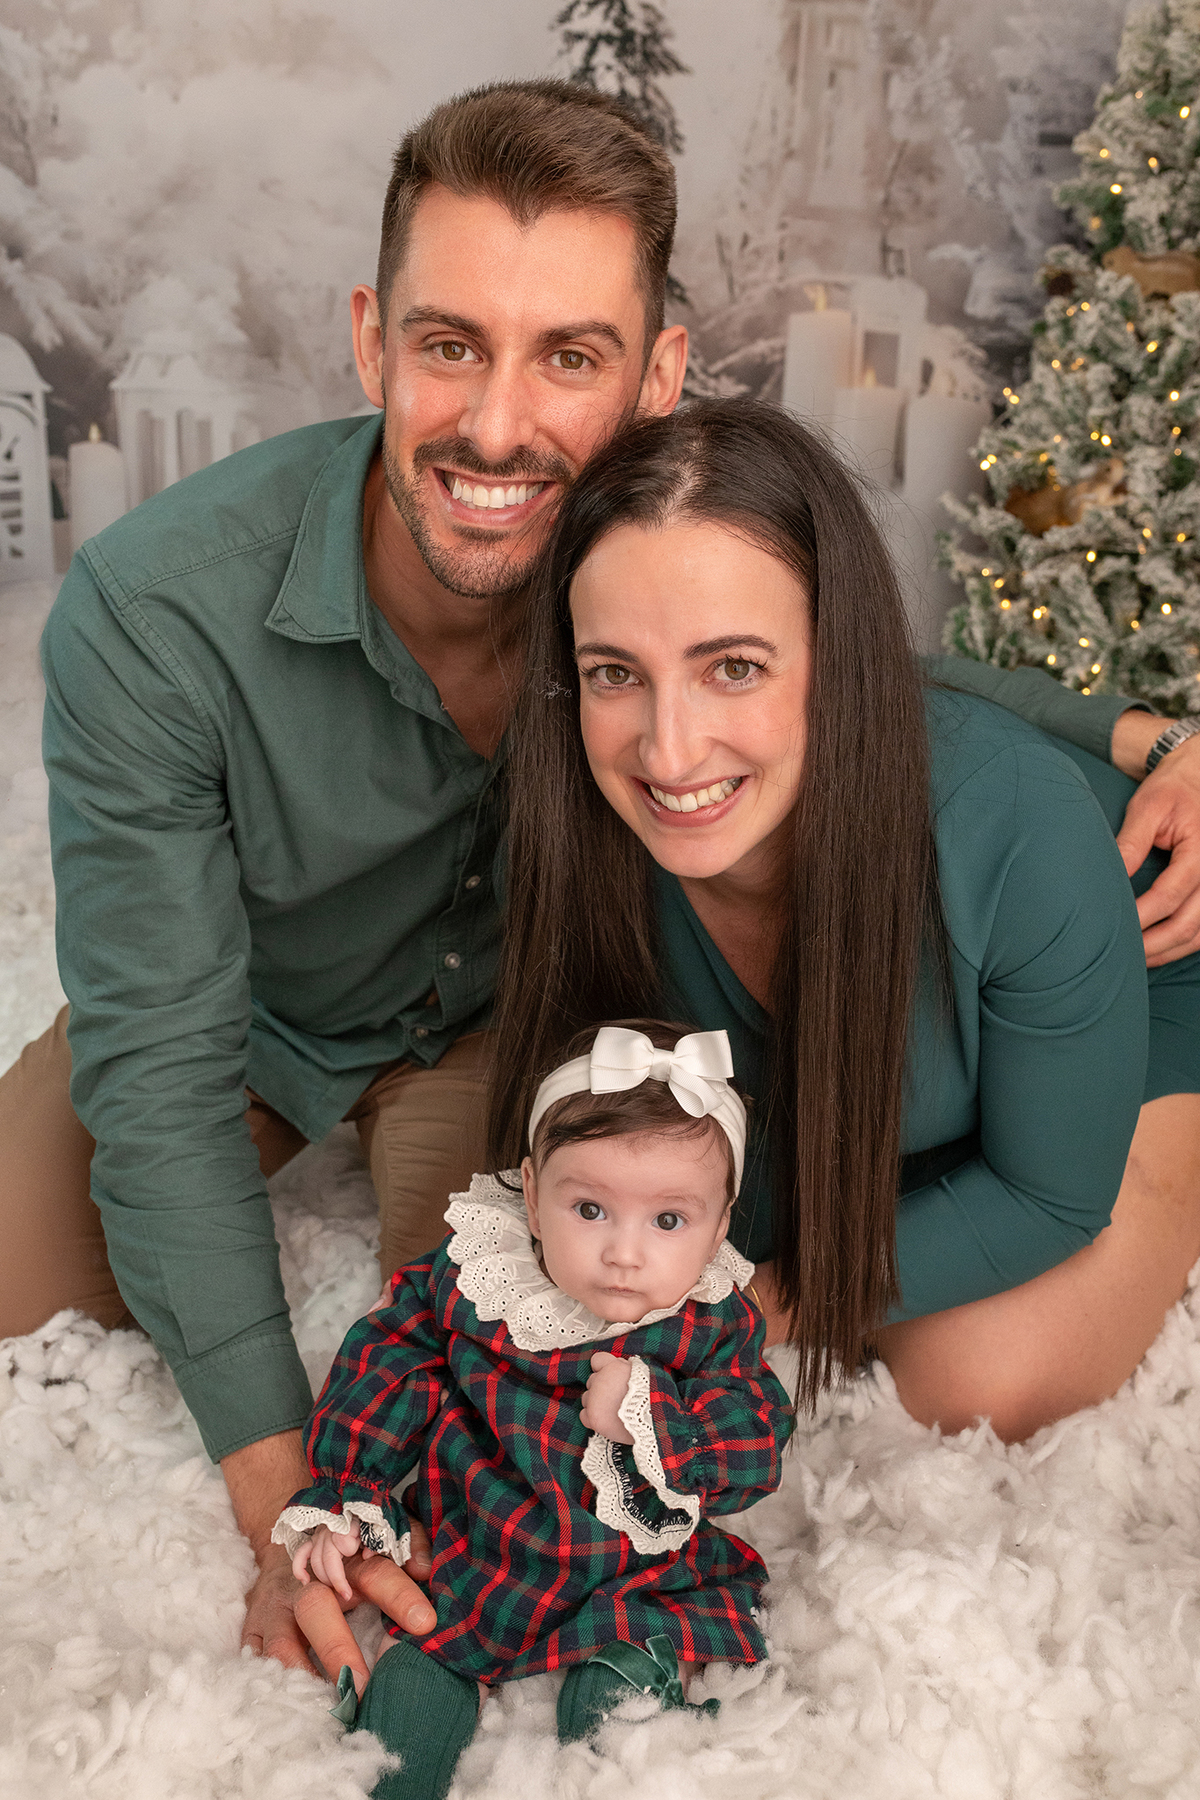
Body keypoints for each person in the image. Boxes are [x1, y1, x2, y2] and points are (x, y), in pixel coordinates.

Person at [1, 78, 1198, 1685]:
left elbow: (844, 663)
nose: (498, 430)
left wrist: (1129, 730)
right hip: (257, 1010)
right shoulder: (158, 617)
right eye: (449, 345)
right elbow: (154, 1068)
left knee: (539, 1368)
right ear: (371, 342)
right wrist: (279, 1494)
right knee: (23, 1265)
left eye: (568, 354)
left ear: (655, 376)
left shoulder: (635, 532)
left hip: (501, 1036)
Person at [486, 397, 1200, 1451]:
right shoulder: (566, 825)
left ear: (838, 659)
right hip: (894, 1068)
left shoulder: (1016, 829)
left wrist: (758, 1305)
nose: (669, 752)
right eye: (615, 674)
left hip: (1147, 973)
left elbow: (1049, 1198)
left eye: (735, 667)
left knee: (969, 1379)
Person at [271, 1021, 792, 1799]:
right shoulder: (478, 1277)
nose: (624, 1252)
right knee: (422, 1663)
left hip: (633, 1575)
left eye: (669, 1221)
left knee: (626, 1711)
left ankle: (618, 1714)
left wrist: (654, 1421)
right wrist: (349, 1487)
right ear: (532, 1194)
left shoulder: (712, 1321)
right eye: (590, 1209)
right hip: (477, 1548)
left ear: (719, 1227)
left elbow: (757, 1441)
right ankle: (397, 1761)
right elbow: (389, 1358)